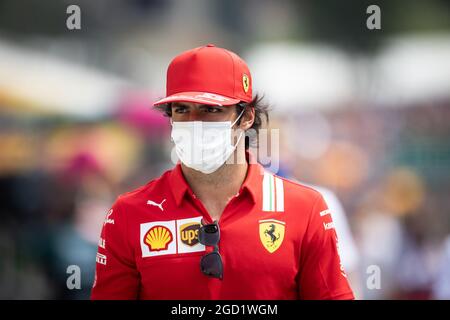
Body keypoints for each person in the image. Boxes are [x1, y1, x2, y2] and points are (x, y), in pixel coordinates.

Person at [91, 44, 354, 299]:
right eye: (182, 110)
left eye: (211, 110)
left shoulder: (305, 209)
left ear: (247, 117)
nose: (194, 122)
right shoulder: (129, 213)